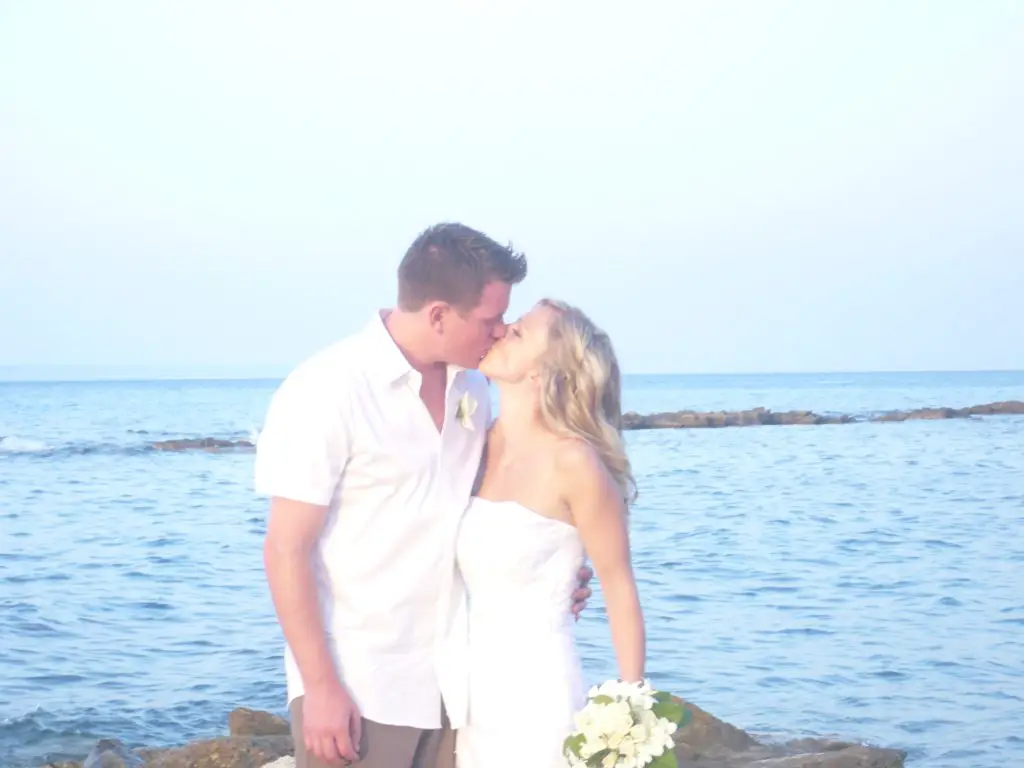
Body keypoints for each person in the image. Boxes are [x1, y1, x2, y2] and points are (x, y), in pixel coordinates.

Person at [254, 223, 594, 768]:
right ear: (438, 314)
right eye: (489, 319)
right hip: (362, 685)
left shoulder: (476, 389)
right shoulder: (327, 389)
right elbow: (284, 549)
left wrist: (550, 567)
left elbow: (492, 508)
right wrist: (320, 688)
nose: (501, 331)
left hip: (460, 689)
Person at [447, 298, 645, 768]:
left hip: (538, 697)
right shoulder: (471, 440)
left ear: (543, 373)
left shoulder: (574, 463)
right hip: (468, 697)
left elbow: (620, 589)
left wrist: (633, 714)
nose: (501, 331)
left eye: (518, 333)